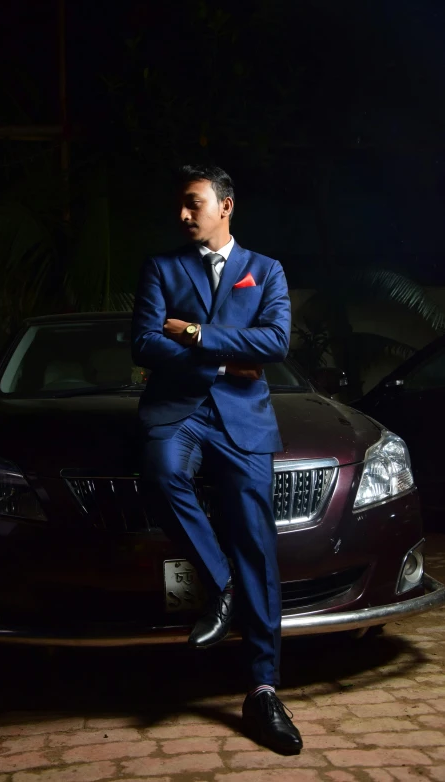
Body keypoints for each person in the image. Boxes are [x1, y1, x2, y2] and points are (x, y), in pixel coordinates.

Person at [131, 164, 302, 755]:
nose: (183, 214)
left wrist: (199, 335)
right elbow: (145, 341)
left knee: (257, 543)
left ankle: (263, 689)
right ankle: (222, 583)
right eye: (180, 205)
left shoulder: (267, 271)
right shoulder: (161, 267)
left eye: (193, 203)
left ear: (225, 205)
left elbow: (275, 343)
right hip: (178, 411)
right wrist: (231, 357)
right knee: (161, 472)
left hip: (243, 420)